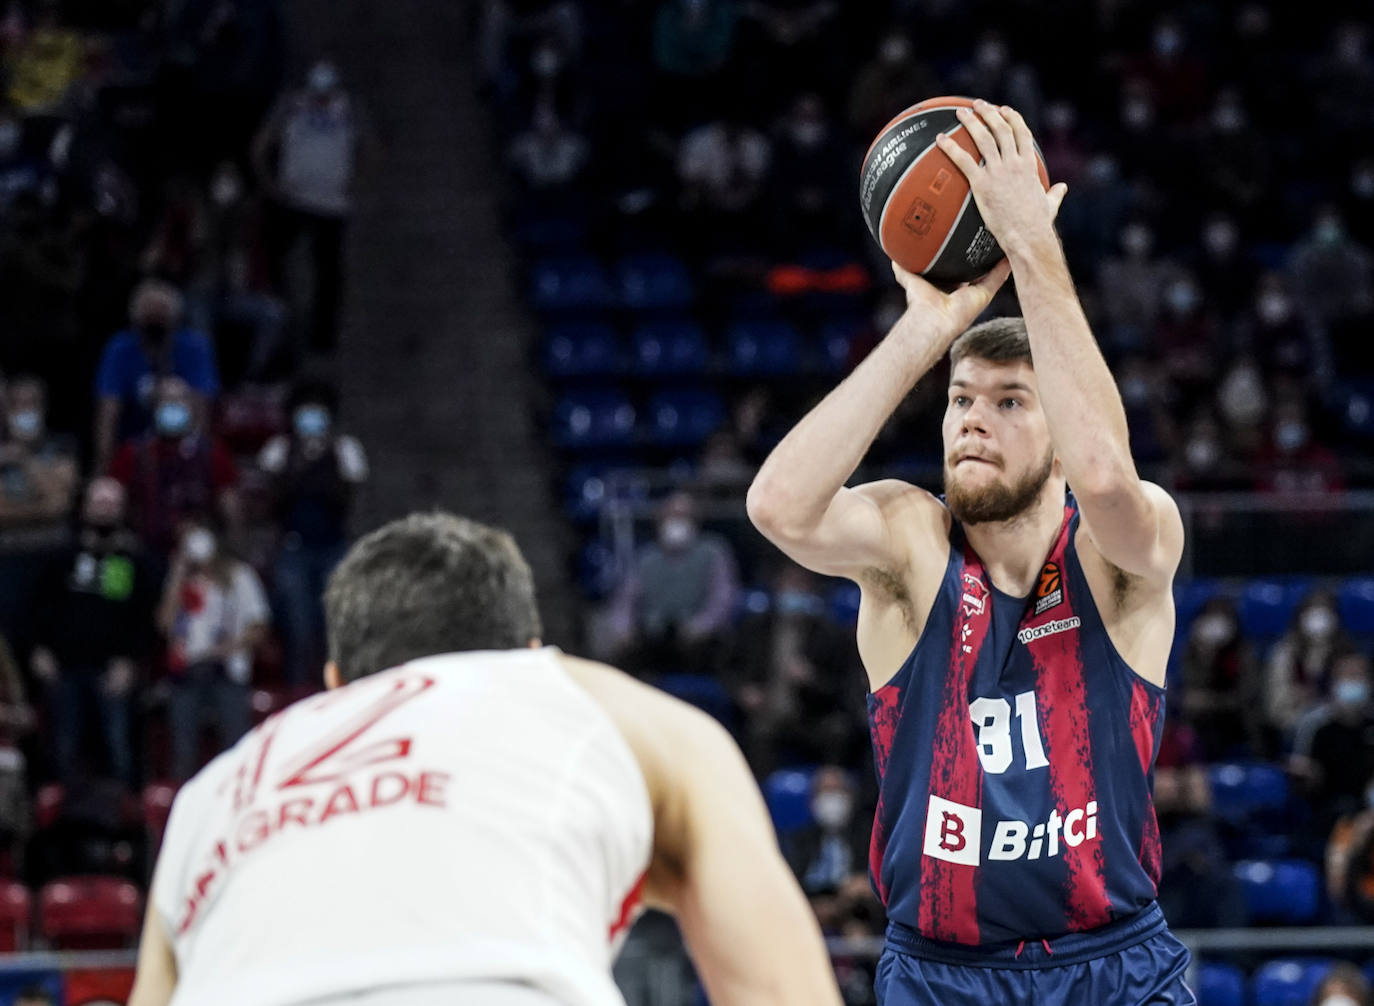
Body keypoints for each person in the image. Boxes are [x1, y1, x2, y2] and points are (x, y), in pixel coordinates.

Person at [748, 101, 1192, 1003]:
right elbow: (779, 507)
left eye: (1010, 403)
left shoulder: (1122, 555)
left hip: (1113, 965)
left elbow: (1106, 477)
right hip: (941, 973)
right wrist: (929, 327)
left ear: (1060, 434)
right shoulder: (913, 543)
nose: (973, 422)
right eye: (961, 401)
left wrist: (1033, 248)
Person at [128, 512, 843, 1006]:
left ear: (336, 688)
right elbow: (780, 991)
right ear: (532, 653)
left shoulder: (215, 787)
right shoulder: (598, 703)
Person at [29, 478, 153, 789]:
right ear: (85, 507)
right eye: (99, 503)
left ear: (123, 510)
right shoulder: (61, 555)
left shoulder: (133, 559)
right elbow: (39, 605)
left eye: (112, 504)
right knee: (64, 746)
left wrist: (129, 661)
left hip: (112, 669)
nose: (105, 510)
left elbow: (142, 617)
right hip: (64, 667)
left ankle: (123, 828)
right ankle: (64, 828)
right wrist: (39, 649)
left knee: (119, 749)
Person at [252, 60, 368, 357]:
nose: (321, 98)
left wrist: (356, 182)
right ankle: (281, 320)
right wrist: (270, 185)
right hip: (293, 200)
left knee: (329, 272)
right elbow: (261, 145)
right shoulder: (291, 106)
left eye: (326, 93)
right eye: (317, 92)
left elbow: (370, 147)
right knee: (274, 260)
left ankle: (323, 334)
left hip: (331, 204)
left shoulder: (348, 109)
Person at [257, 381, 368, 687]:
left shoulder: (345, 450)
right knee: (298, 622)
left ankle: (336, 685)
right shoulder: (278, 451)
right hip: (294, 548)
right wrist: (298, 463)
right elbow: (271, 503)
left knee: (335, 621)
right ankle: (296, 688)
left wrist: (321, 458)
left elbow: (349, 498)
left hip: (332, 545)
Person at [157, 522, 269, 782]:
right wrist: (177, 574)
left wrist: (227, 648)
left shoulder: (239, 576)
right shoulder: (181, 581)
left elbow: (259, 626)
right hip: (186, 674)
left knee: (236, 749)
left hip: (226, 672)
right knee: (184, 753)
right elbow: (164, 625)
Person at [601, 490, 739, 676]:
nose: (677, 522)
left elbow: (723, 598)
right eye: (671, 516)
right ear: (659, 521)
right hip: (653, 637)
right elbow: (626, 600)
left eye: (683, 517)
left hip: (700, 638)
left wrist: (701, 626)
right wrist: (623, 629)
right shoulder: (646, 558)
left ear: (695, 521)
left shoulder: (714, 552)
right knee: (621, 661)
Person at [94, 280, 220, 472]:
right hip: (131, 446)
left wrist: (195, 461)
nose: (155, 318)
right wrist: (105, 465)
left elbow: (201, 406)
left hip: (181, 447)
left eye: (161, 312)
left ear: (176, 315)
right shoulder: (121, 348)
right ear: (135, 315)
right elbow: (108, 409)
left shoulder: (194, 347)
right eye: (149, 311)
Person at [108, 375, 240, 559]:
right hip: (140, 551)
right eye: (166, 400)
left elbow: (230, 507)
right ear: (153, 408)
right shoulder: (131, 453)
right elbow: (111, 499)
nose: (174, 405)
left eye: (180, 400)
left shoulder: (212, 454)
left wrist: (231, 551)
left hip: (198, 554)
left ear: (192, 406)